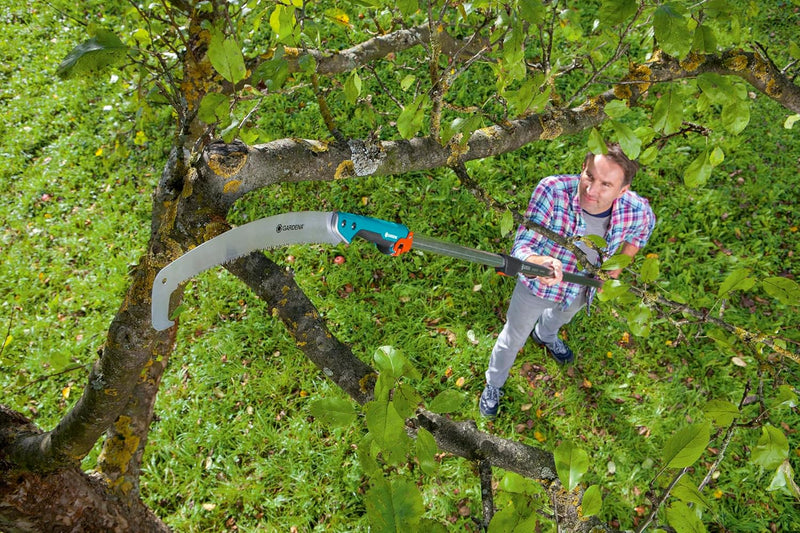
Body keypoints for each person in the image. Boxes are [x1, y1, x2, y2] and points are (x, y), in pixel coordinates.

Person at [479, 143, 656, 417]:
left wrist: (618, 268)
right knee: (513, 337)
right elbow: (524, 242)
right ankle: (494, 383)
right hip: (538, 285)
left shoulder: (636, 209)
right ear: (582, 168)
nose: (591, 191)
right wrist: (538, 262)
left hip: (583, 287)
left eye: (605, 185)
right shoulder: (552, 190)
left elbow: (641, 232)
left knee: (561, 318)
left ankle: (545, 335)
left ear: (623, 191)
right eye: (589, 176)